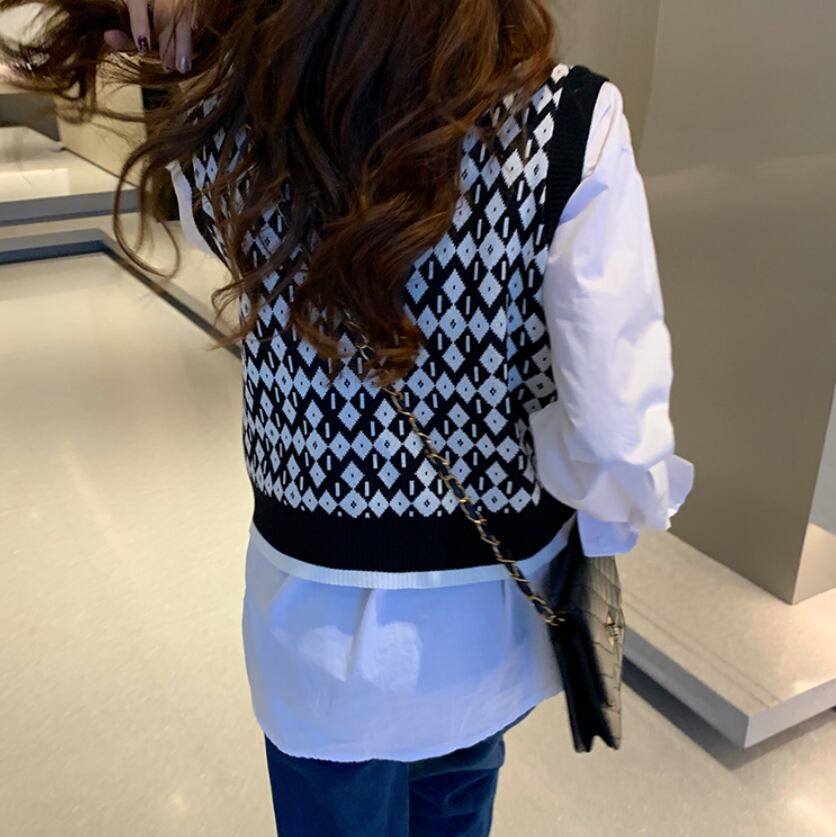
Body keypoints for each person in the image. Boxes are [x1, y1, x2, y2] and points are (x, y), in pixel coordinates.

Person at [0, 1, 695, 834]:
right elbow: (619, 443)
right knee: (459, 802)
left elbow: (222, 246)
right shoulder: (570, 122)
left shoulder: (229, 119)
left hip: (314, 635)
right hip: (489, 623)